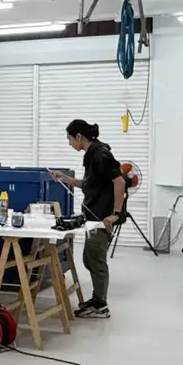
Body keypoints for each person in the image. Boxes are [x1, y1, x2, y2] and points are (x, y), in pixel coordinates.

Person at [52, 119, 126, 319]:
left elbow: (119, 182)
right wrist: (65, 178)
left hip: (103, 218)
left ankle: (101, 305)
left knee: (96, 260)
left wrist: (116, 213)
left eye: (70, 139)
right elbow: (89, 185)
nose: (69, 143)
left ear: (79, 136)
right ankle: (96, 299)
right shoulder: (92, 155)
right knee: (90, 258)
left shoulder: (101, 155)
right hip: (93, 217)